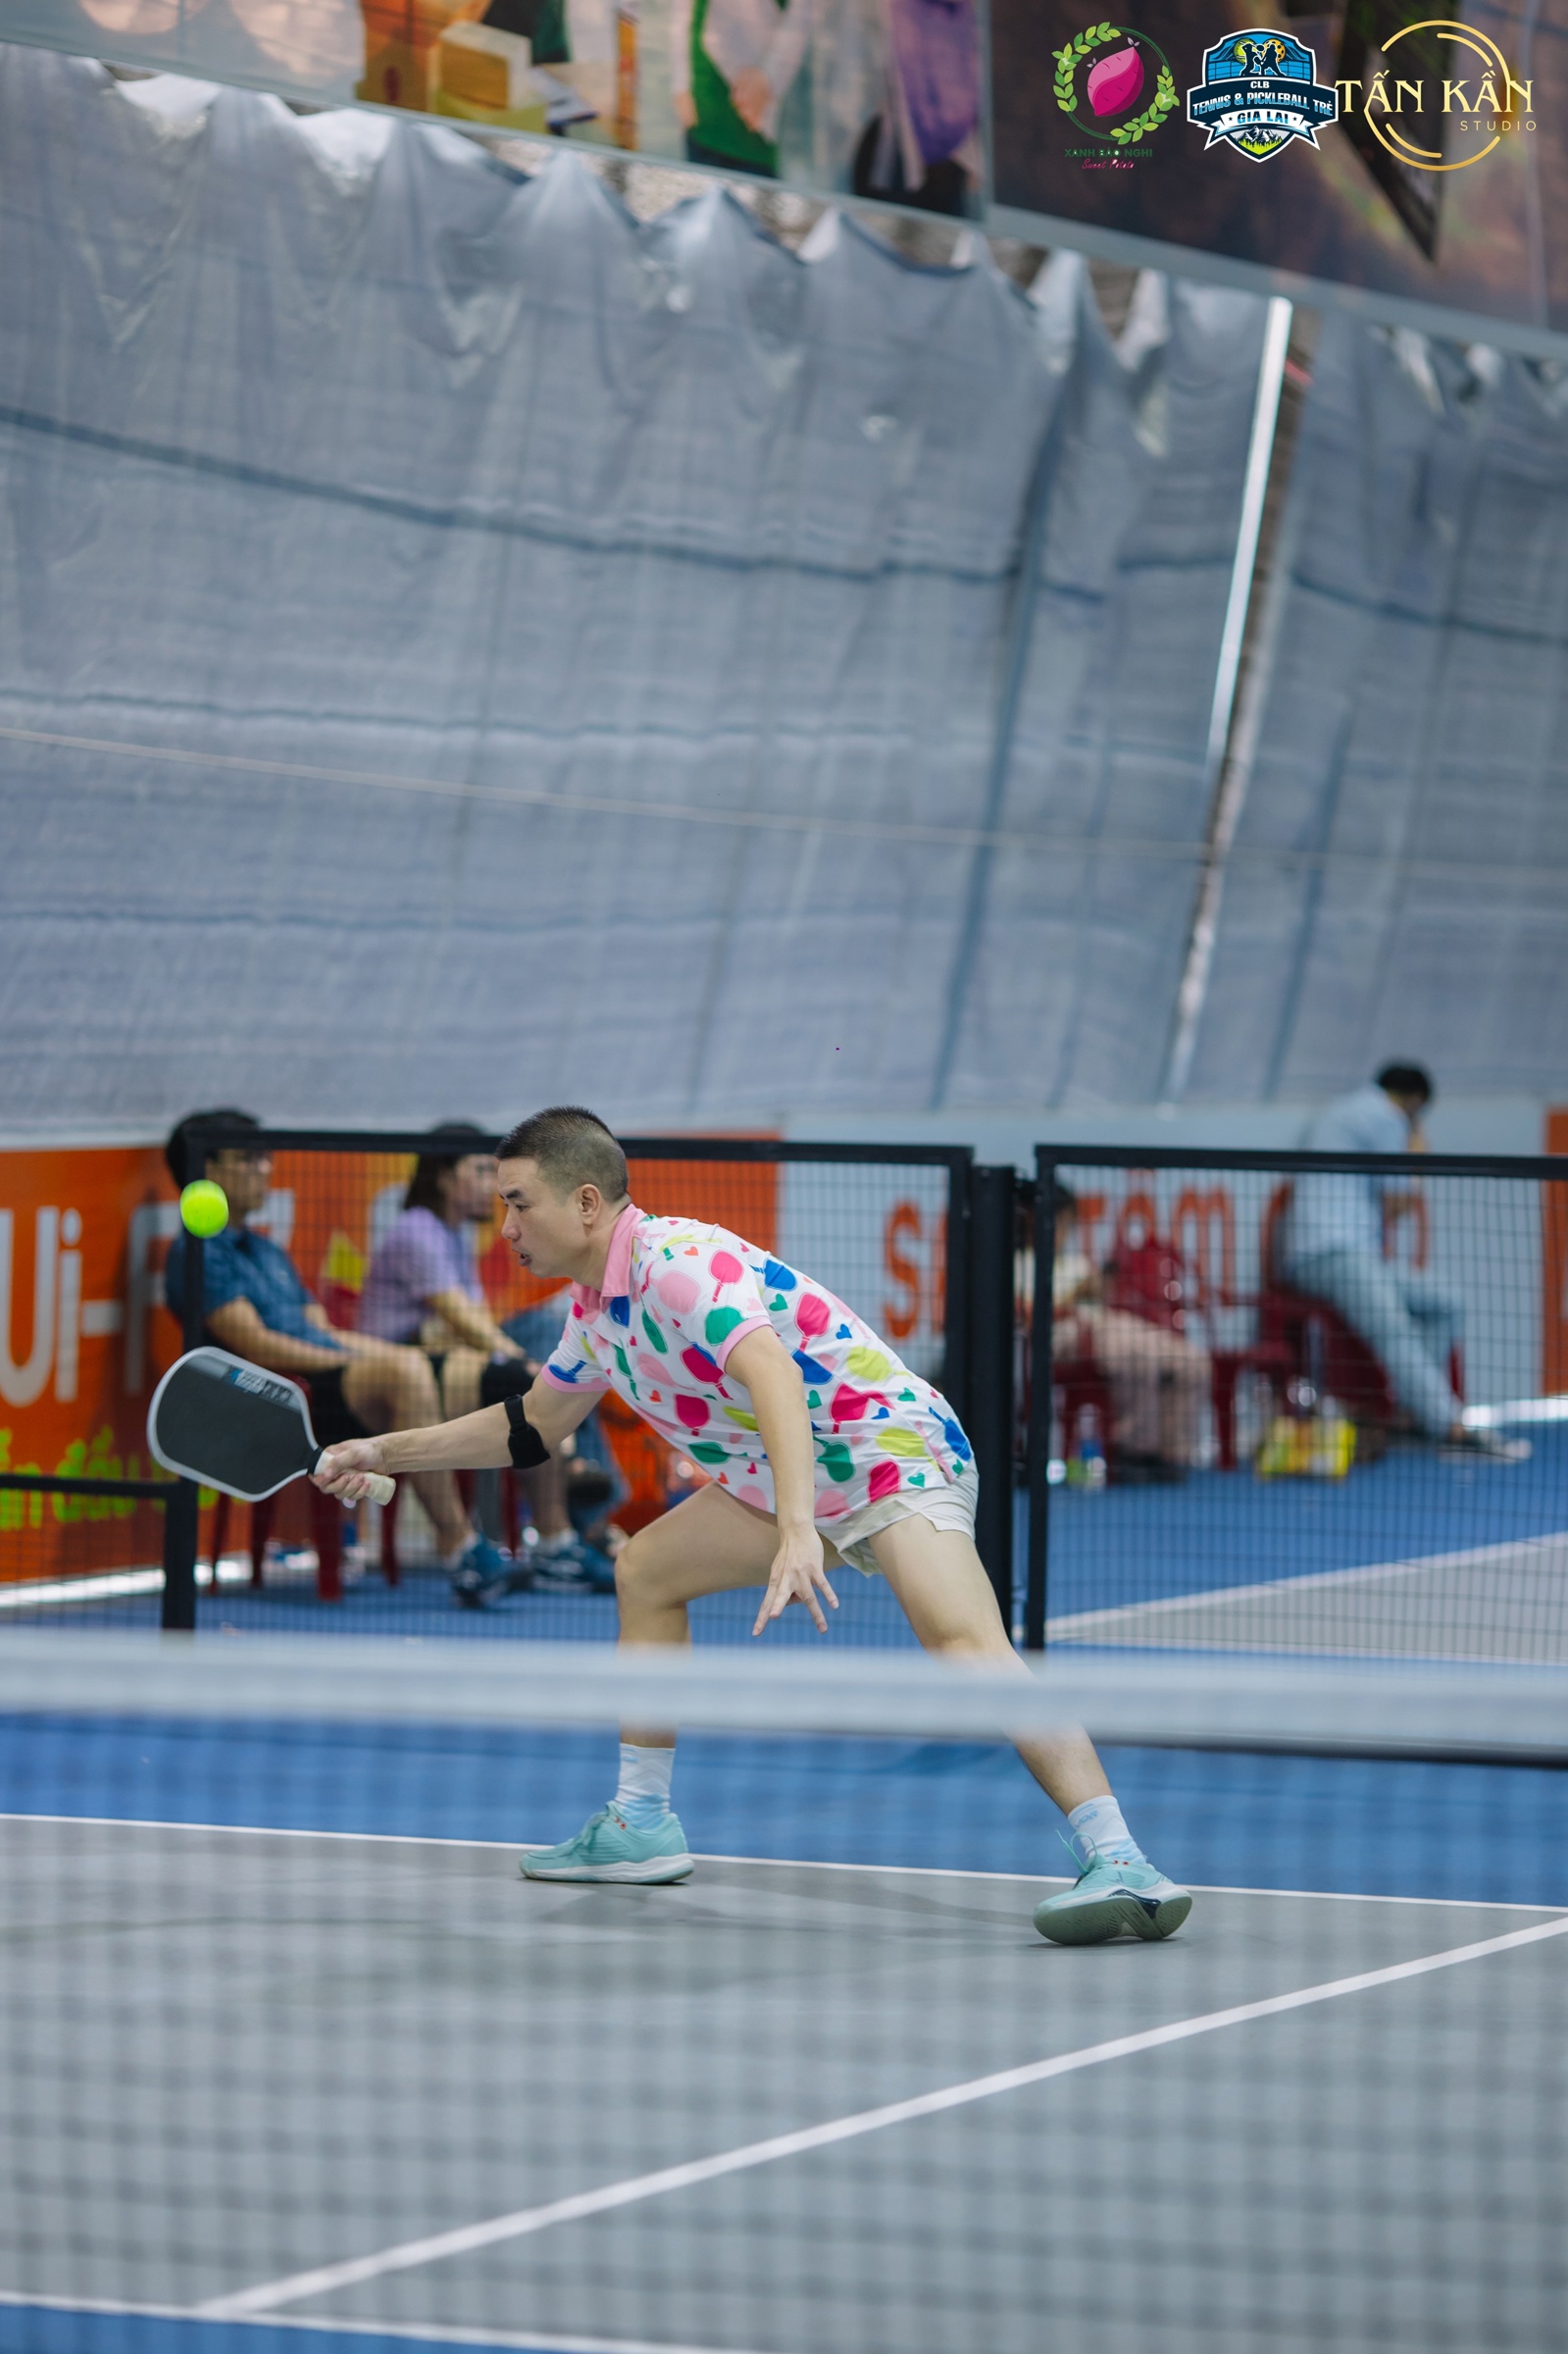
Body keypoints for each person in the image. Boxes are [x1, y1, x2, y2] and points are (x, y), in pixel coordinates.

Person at [316, 1104, 1192, 1946]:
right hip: (781, 1474)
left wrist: (798, 1529)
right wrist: (381, 1451)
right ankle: (640, 1824)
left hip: (884, 1447)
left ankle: (1122, 1861)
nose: (505, 1226)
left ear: (585, 1203)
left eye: (518, 1203)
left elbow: (771, 1372)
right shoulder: (594, 1310)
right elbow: (530, 1428)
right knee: (646, 1570)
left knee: (964, 1644)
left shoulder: (676, 1264)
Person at [163, 1110, 518, 1603]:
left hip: (329, 1373)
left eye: (266, 1157)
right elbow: (255, 1345)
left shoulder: (267, 1252)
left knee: (427, 1367)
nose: (265, 1169)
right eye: (248, 1159)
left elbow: (325, 1330)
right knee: (405, 1372)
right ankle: (460, 1546)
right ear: (207, 1168)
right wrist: (356, 1365)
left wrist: (393, 1356)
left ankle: (517, 1541)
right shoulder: (200, 1252)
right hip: (282, 1393)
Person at [359, 1124, 615, 1593]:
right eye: (478, 1171)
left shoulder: (454, 1234)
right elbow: (466, 1325)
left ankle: (573, 1506)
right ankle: (562, 1532)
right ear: (443, 1177)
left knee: (558, 1335)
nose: (491, 1186)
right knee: (537, 1375)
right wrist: (522, 1363)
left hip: (448, 1360)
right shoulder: (418, 1231)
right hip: (399, 1368)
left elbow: (467, 1325)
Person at [1282, 1065, 1528, 1462]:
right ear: (1414, 1101)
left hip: (1346, 1255)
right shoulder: (1387, 1117)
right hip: (1332, 1254)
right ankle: (1451, 1428)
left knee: (1446, 1302)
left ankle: (1412, 1416)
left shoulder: (1346, 1108)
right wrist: (1416, 1151)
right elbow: (1398, 1204)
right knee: (1395, 1328)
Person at [1052, 1186, 1210, 1480]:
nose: (1062, 1230)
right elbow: (1025, 1314)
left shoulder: (1077, 1263)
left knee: (1193, 1361)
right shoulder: (1019, 1262)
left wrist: (1100, 1286)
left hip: (1111, 1322)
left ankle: (1171, 1454)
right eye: (1058, 1221)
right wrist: (1071, 1298)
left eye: (1066, 1223)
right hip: (1068, 1331)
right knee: (1136, 1354)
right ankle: (1132, 1450)